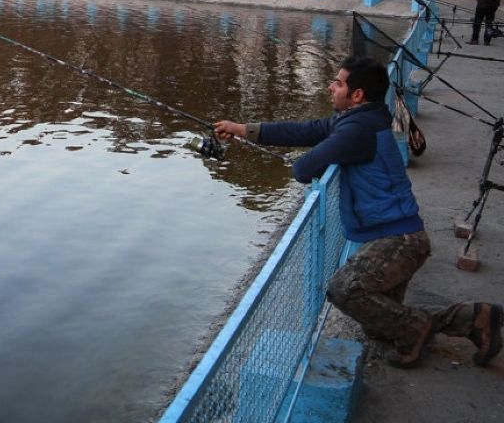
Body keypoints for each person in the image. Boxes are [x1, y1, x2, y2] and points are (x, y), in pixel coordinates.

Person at [214, 56, 502, 367]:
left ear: (357, 95)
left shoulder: (357, 131)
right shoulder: (359, 120)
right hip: (397, 236)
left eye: (337, 83)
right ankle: (475, 318)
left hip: (400, 241)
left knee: (343, 291)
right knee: (377, 325)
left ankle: (417, 330)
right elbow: (304, 131)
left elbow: (304, 168)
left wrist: (310, 159)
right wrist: (243, 129)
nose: (330, 87)